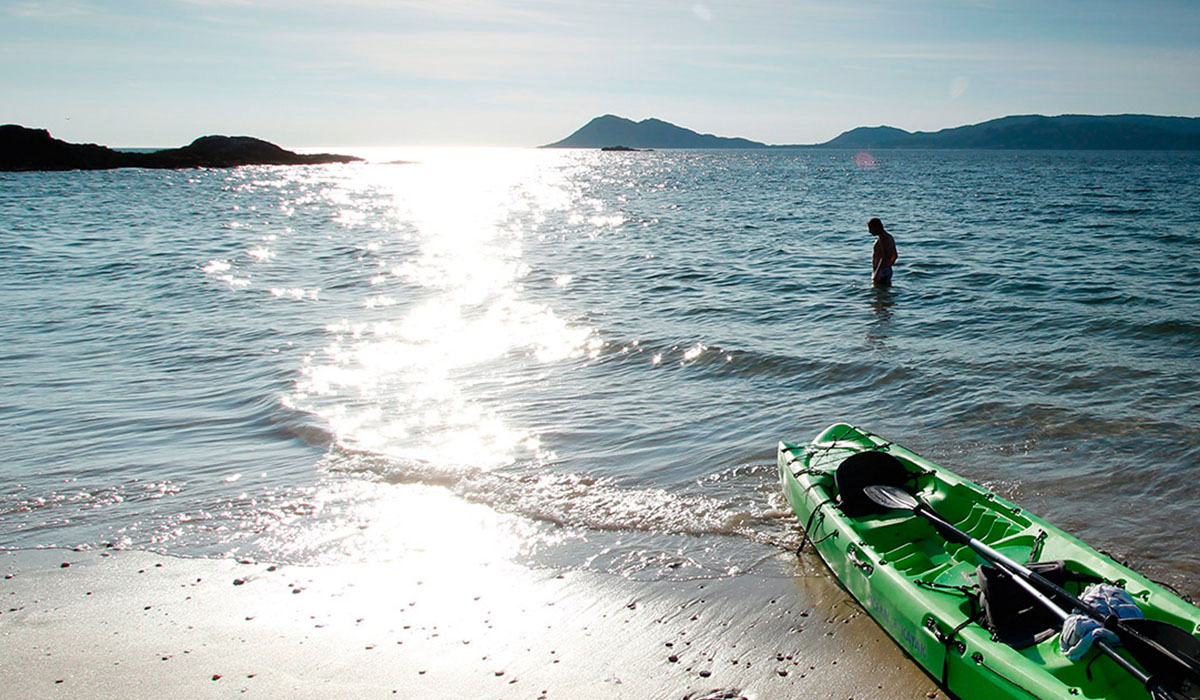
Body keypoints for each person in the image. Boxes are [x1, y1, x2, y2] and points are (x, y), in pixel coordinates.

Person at [868, 217, 897, 285]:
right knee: (885, 291)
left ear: (877, 227)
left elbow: (884, 256)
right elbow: (895, 255)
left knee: (879, 292)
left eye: (870, 228)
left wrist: (877, 273)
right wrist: (888, 265)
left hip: (881, 271)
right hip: (886, 269)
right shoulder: (889, 237)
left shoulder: (882, 239)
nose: (870, 231)